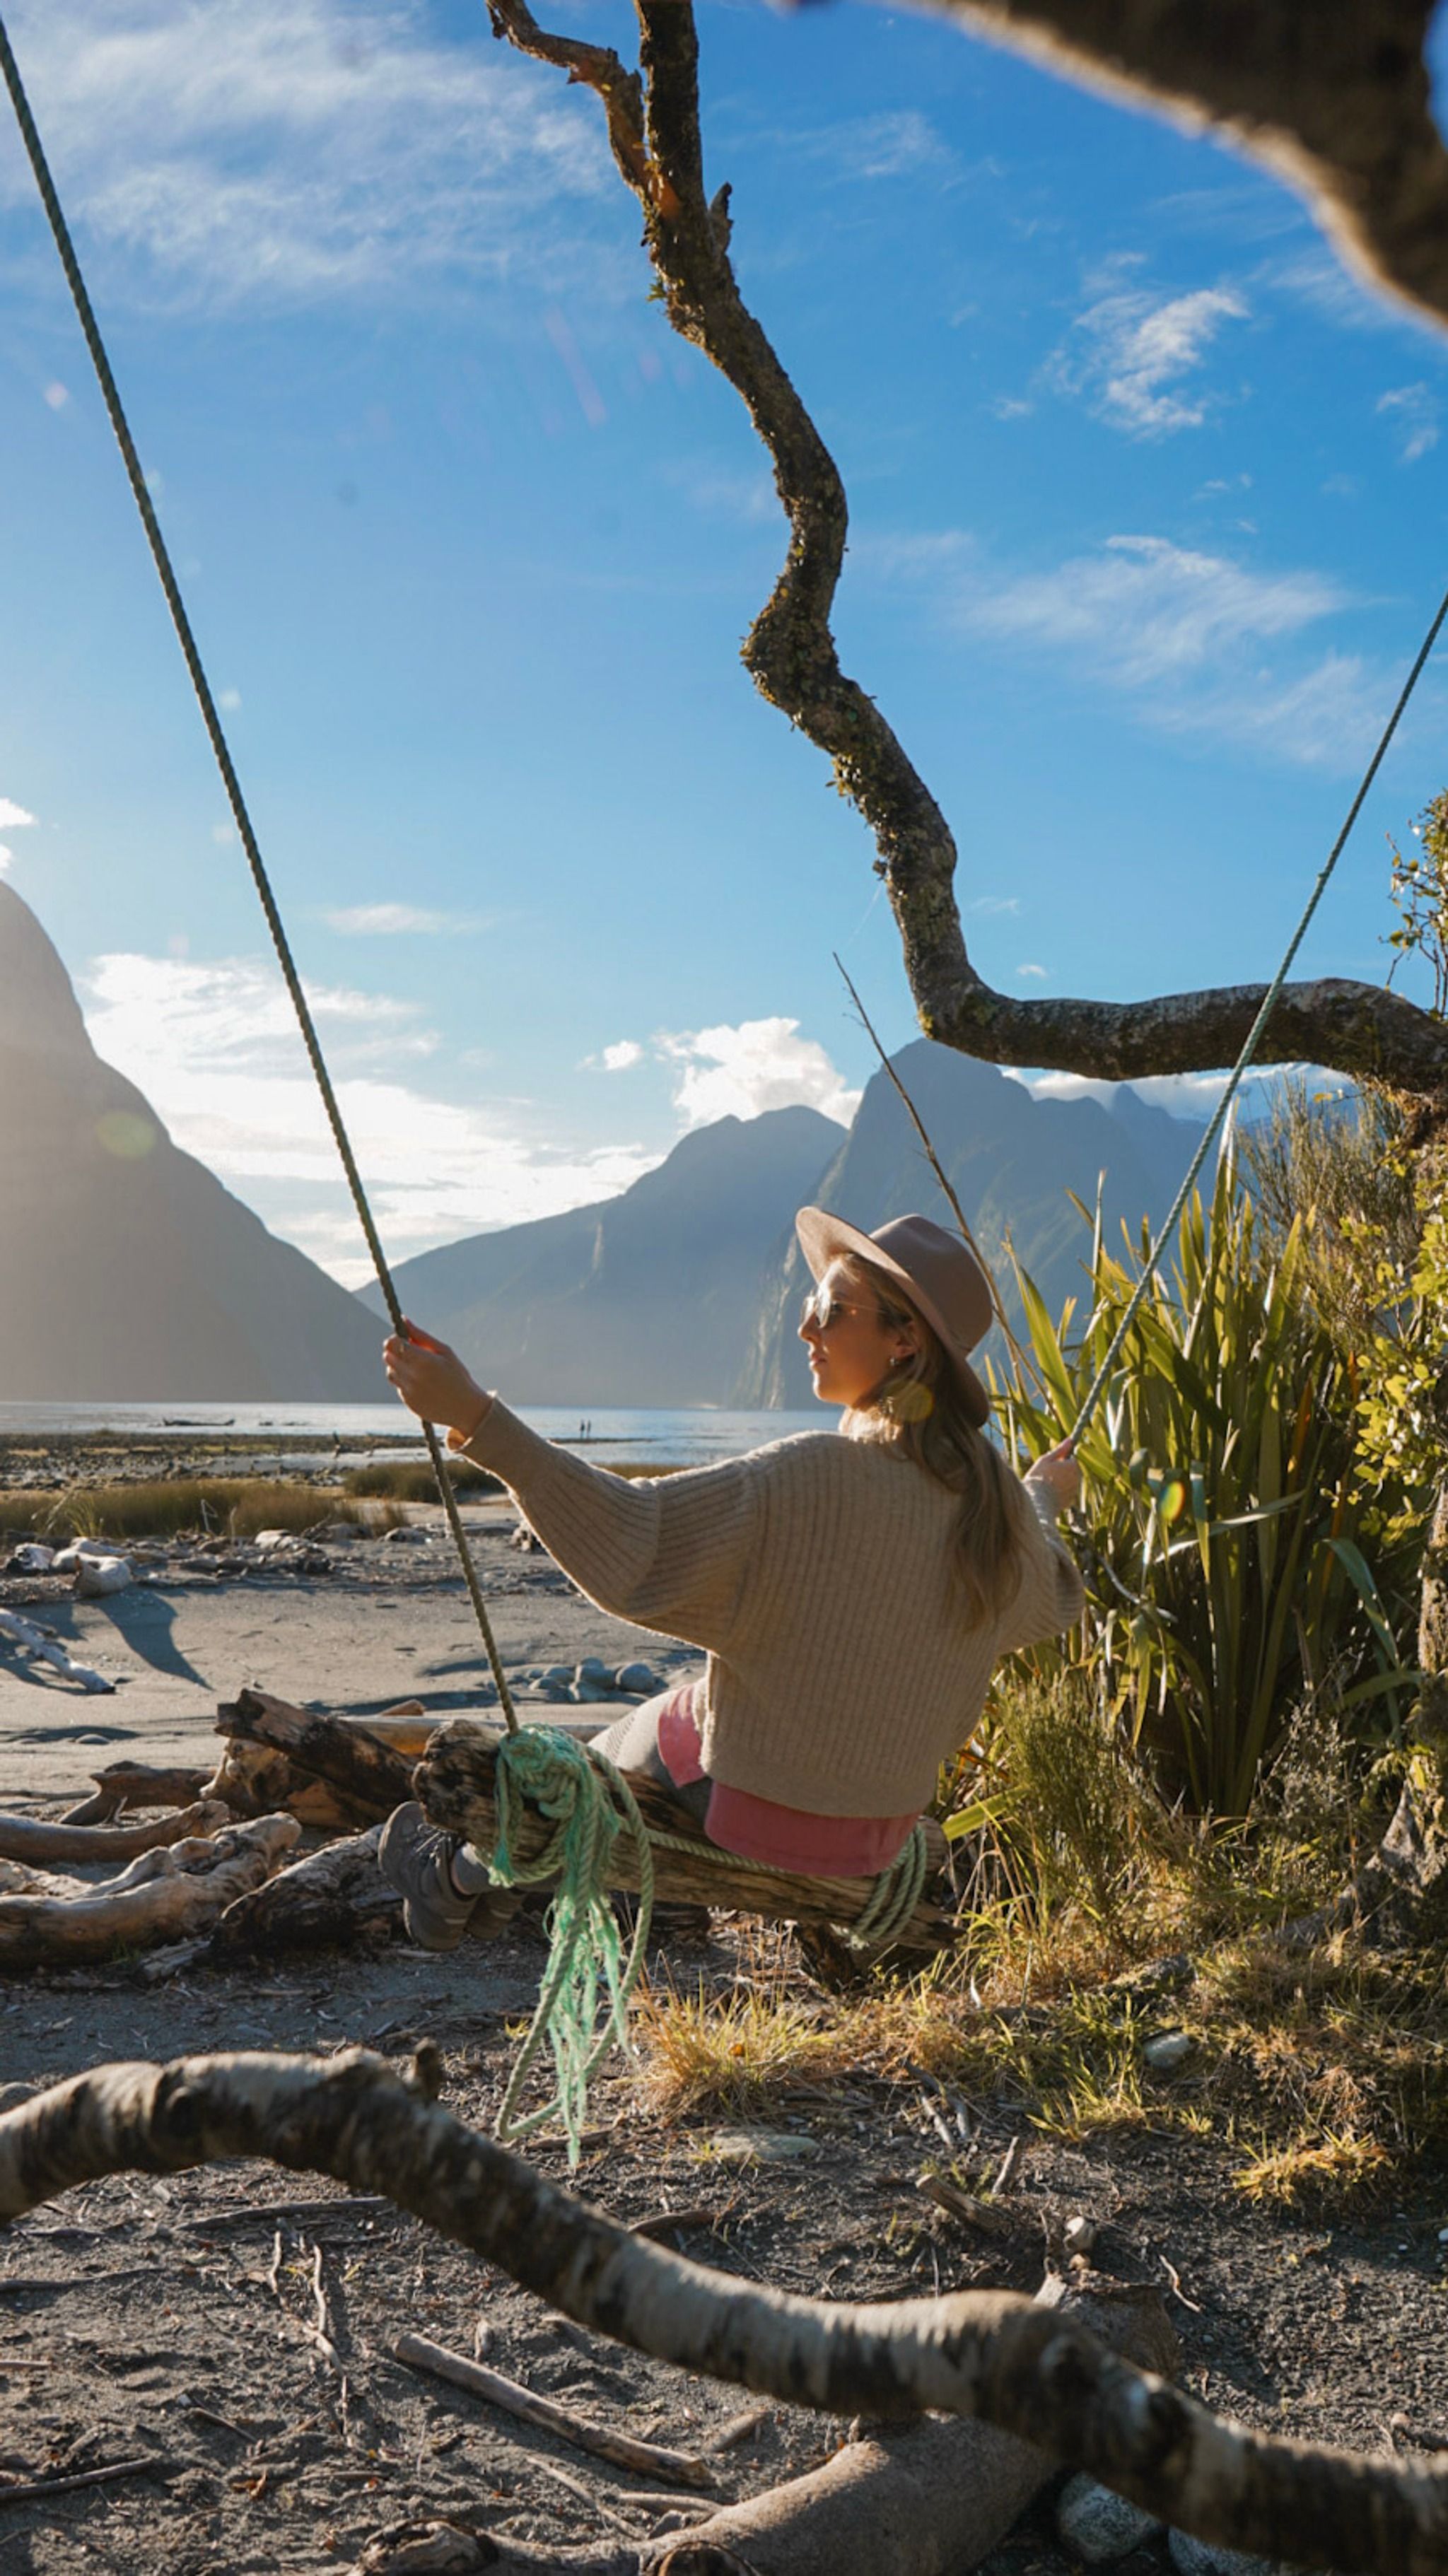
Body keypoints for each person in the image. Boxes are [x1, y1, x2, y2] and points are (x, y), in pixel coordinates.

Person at [377, 1207, 1082, 1948]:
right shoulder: (993, 1504)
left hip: (750, 1814)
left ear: (904, 1340)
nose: (805, 1327)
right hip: (878, 1833)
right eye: (810, 1305)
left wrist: (477, 1417)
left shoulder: (809, 1477)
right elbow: (1050, 1593)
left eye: (829, 1309)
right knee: (687, 1708)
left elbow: (634, 1539)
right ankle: (486, 1884)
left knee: (611, 1749)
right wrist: (1040, 1495)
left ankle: (451, 1875)